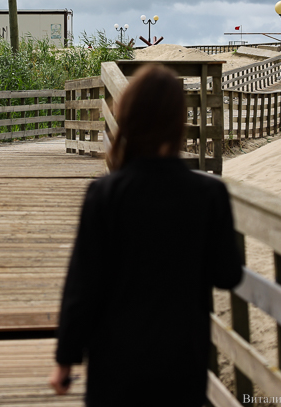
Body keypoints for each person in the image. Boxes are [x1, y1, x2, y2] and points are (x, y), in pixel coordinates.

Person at [48, 65, 243, 406]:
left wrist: (66, 358)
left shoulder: (105, 194)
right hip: (182, 358)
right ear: (177, 122)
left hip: (115, 358)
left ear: (128, 117)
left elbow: (83, 284)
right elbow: (227, 274)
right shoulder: (209, 195)